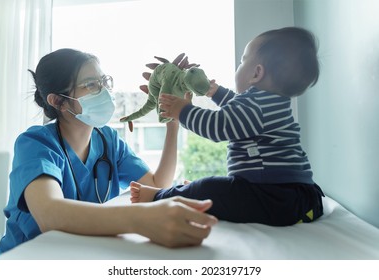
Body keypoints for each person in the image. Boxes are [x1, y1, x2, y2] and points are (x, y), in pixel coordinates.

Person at [0, 48, 217, 257]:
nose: (104, 91)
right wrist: (140, 219)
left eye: (104, 81)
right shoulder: (35, 144)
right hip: (29, 260)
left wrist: (172, 122)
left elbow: (157, 185)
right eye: (91, 85)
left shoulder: (107, 140)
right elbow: (50, 214)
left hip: (82, 256)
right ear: (59, 101)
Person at [130, 27, 325, 226]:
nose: (238, 66)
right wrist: (215, 92)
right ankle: (194, 195)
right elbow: (238, 110)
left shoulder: (256, 107)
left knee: (210, 188)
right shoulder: (267, 104)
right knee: (218, 190)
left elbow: (218, 126)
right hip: (300, 198)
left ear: (256, 73)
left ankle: (161, 198)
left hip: (274, 196)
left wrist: (183, 111)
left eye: (242, 61)